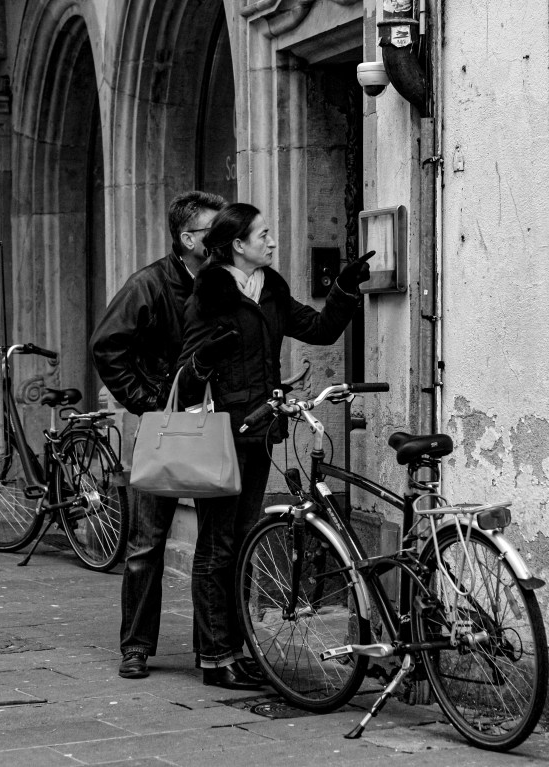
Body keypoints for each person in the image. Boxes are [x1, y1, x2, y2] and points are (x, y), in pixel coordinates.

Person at [176, 202, 371, 689]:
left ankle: (234, 649)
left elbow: (321, 330)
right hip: (221, 435)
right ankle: (215, 657)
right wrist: (206, 357)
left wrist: (345, 288)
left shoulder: (270, 290)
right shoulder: (210, 294)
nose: (271, 240)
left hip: (260, 431)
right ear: (237, 244)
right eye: (262, 234)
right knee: (217, 545)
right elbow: (185, 376)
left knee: (242, 541)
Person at [90, 190, 226, 680]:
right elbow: (107, 346)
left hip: (215, 427)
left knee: (218, 546)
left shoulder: (226, 282)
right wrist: (148, 402)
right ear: (188, 239)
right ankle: (136, 647)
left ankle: (216, 651)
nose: (225, 238)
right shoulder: (148, 284)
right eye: (215, 230)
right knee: (147, 543)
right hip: (163, 428)